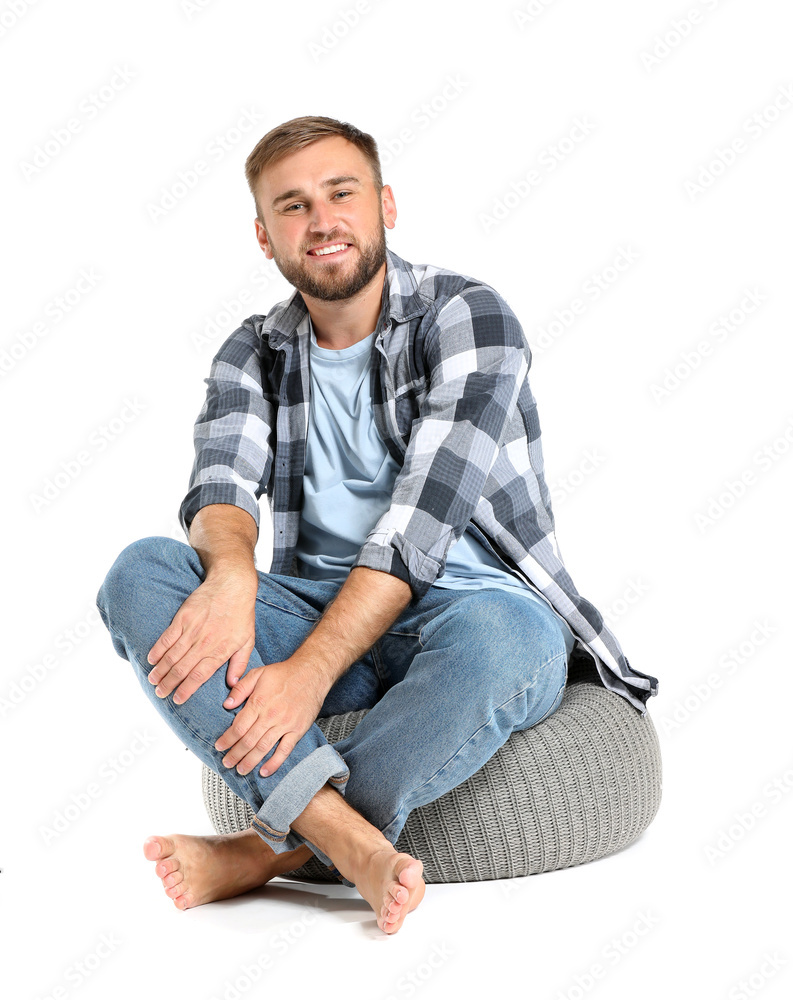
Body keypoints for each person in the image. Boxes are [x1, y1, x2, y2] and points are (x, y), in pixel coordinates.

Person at [96, 115, 658, 936]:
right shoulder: (250, 351)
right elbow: (219, 486)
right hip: (322, 608)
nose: (321, 221)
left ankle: (272, 852)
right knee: (139, 573)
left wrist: (308, 678)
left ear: (385, 204)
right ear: (264, 237)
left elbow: (417, 528)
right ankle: (335, 837)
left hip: (466, 611)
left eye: (341, 193)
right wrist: (231, 573)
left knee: (510, 639)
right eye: (292, 206)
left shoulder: (467, 316)